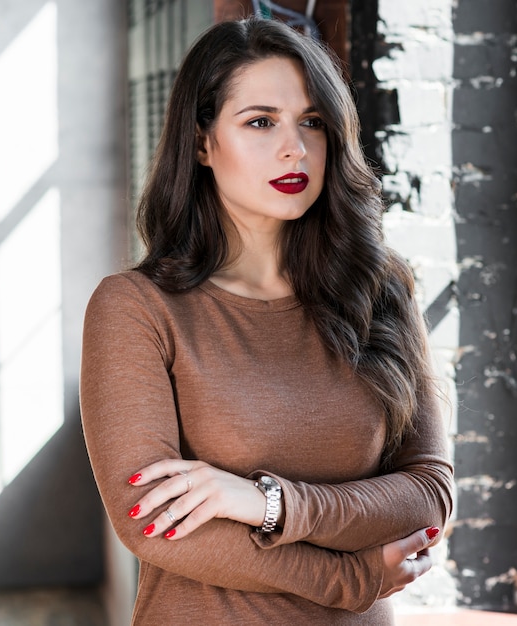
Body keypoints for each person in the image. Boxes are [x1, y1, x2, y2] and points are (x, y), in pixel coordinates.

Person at [80, 16, 453, 625]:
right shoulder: (135, 308)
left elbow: (428, 494)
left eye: (312, 122)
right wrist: (350, 576)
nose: (295, 147)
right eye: (260, 122)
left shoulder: (379, 288)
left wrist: (266, 503)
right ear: (202, 141)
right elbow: (152, 524)